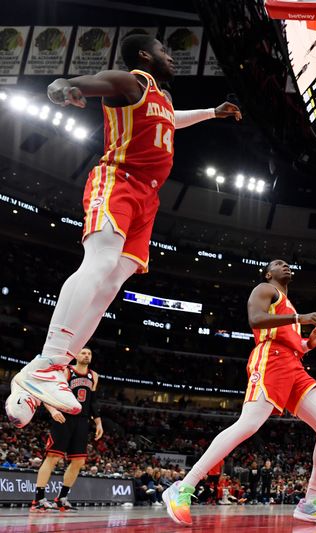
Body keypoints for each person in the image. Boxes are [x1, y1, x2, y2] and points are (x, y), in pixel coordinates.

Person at [4, 34, 241, 424]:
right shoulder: (132, 82)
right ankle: (48, 363)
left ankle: (42, 373)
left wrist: (213, 112)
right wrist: (64, 88)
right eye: (165, 51)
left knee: (112, 282)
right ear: (146, 55)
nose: (171, 57)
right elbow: (83, 82)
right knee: (99, 264)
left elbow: (172, 120)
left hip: (147, 198)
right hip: (118, 181)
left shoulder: (160, 99)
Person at [162, 259, 316, 526]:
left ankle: (310, 502)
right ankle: (183, 487)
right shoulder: (264, 289)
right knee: (248, 424)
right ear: (269, 273)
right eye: (279, 264)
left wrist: (308, 345)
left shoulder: (288, 304)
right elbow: (255, 320)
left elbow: (289, 342)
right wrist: (298, 319)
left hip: (294, 365)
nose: (286, 266)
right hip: (271, 361)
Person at [30, 347, 103, 512]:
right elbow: (47, 392)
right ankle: (39, 499)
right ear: (76, 355)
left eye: (89, 353)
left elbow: (93, 402)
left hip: (83, 421)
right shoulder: (66, 371)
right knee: (53, 457)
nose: (86, 355)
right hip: (64, 417)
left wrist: (98, 422)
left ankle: (62, 498)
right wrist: (53, 410)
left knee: (79, 461)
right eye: (83, 352)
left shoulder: (94, 376)